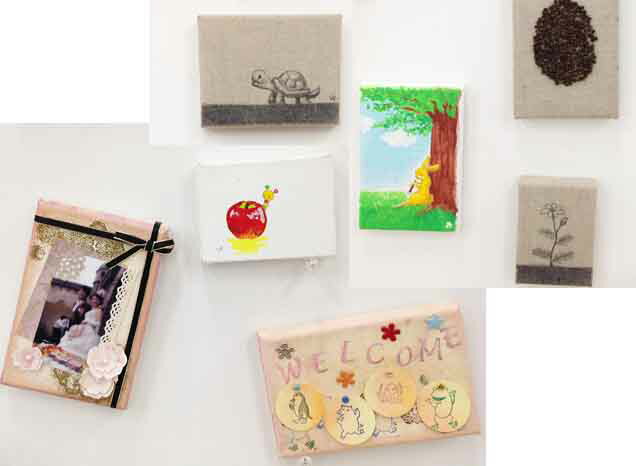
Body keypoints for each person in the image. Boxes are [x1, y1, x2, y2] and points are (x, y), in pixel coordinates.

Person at [58, 294, 103, 359]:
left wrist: (87, 321)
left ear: (99, 301)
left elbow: (98, 323)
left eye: (96, 299)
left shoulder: (98, 310)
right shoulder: (90, 309)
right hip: (83, 327)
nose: (94, 301)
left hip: (89, 329)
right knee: (70, 338)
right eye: (93, 299)